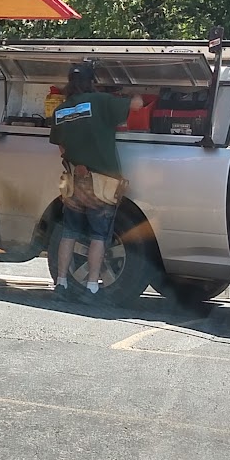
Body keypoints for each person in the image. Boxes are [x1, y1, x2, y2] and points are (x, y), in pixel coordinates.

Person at [49, 61, 139, 302]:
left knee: (69, 232)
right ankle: (91, 287)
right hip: (101, 183)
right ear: (92, 82)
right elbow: (137, 105)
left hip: (74, 182)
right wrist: (133, 93)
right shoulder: (102, 101)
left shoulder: (61, 110)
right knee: (99, 236)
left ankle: (61, 283)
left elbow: (61, 148)